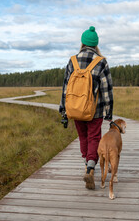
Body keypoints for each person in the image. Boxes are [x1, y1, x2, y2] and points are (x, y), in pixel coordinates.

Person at [59, 26, 114, 190]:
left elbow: (66, 88)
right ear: (96, 44)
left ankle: (86, 164)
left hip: (75, 108)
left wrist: (64, 110)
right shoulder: (101, 61)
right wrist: (108, 112)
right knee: (94, 137)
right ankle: (91, 167)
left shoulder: (73, 61)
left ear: (82, 42)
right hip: (94, 110)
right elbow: (107, 89)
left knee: (82, 137)